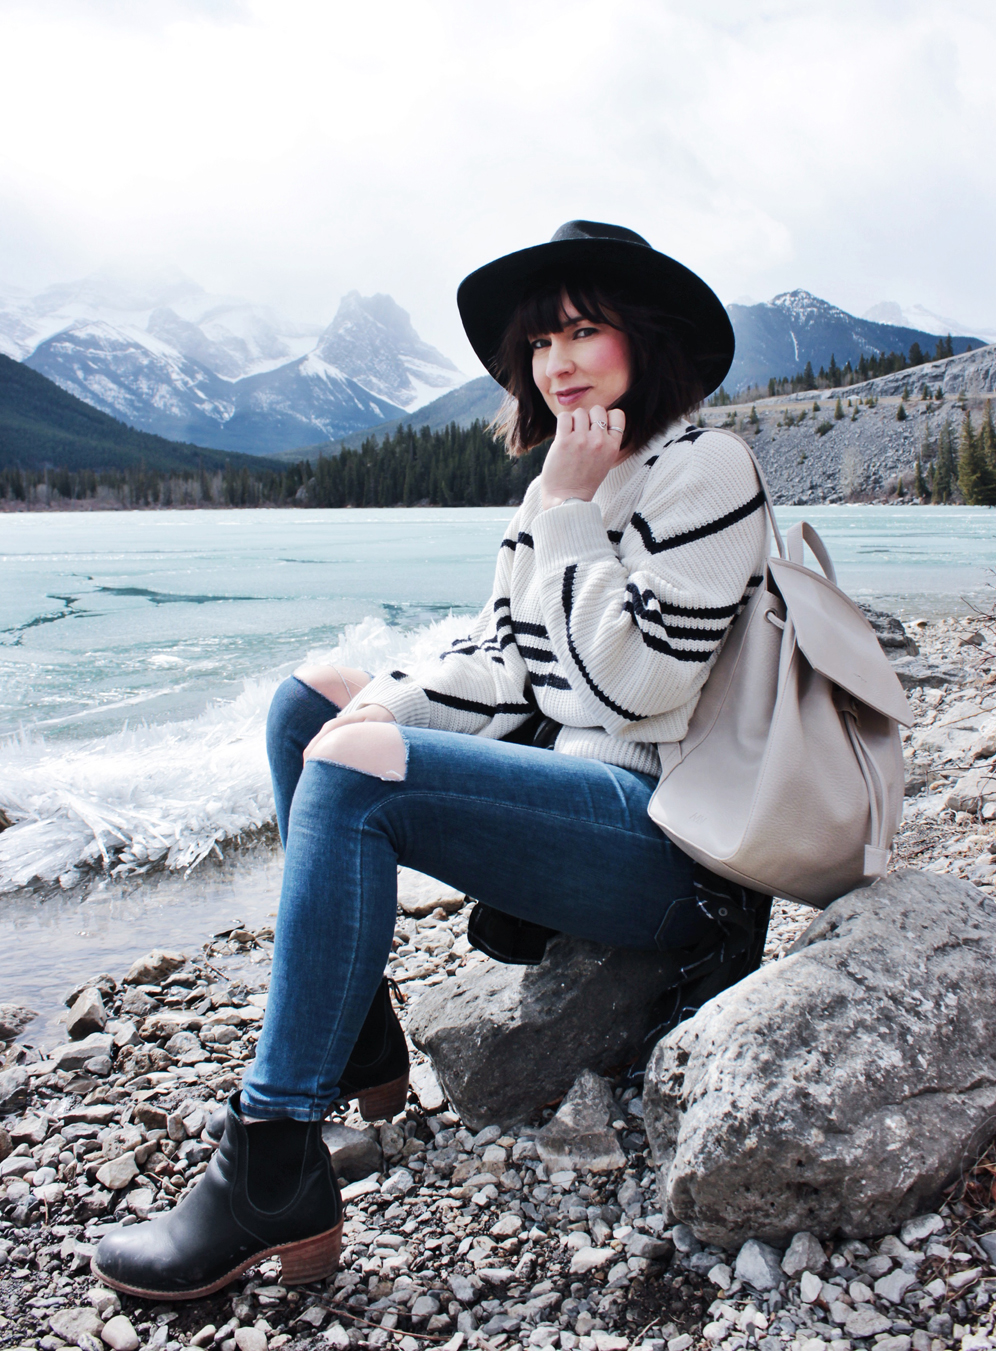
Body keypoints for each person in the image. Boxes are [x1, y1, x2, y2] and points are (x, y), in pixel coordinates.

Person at [94, 220, 772, 1300]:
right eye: (539, 341)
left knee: (357, 775)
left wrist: (571, 512)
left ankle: (270, 1156)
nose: (557, 362)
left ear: (645, 337)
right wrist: (371, 709)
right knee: (308, 706)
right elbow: (507, 662)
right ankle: (358, 1041)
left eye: (584, 331)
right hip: (581, 798)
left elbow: (637, 687)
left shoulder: (706, 468)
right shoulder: (557, 485)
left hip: (673, 846)